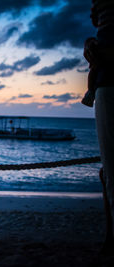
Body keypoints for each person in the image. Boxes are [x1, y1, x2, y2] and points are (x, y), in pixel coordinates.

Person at [85, 0, 114, 251]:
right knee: (110, 175)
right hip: (105, 78)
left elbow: (96, 18)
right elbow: (96, 18)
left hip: (109, 81)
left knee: (112, 175)